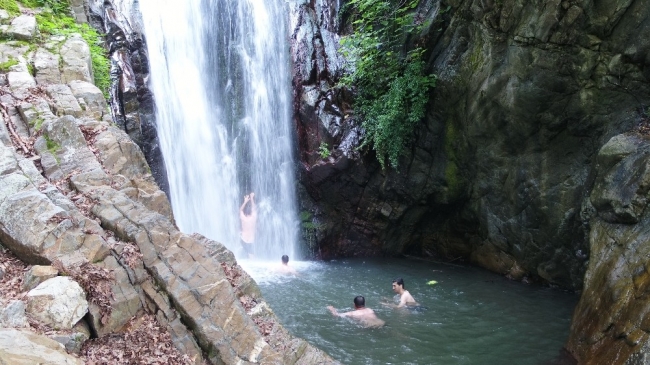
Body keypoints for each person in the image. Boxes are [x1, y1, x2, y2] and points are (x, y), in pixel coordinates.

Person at [239, 192, 257, 258]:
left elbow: (240, 210)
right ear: (251, 212)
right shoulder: (253, 218)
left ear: (245, 213)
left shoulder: (243, 218)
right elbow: (254, 208)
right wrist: (252, 198)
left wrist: (245, 201)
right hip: (251, 240)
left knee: (243, 253)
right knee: (252, 255)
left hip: (243, 239)